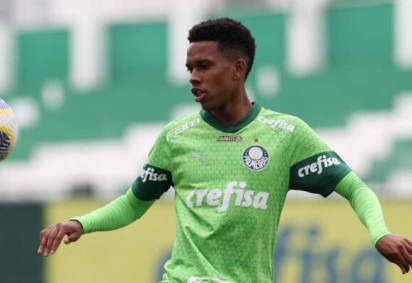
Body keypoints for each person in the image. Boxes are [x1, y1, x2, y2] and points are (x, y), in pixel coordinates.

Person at [38, 17, 412, 282]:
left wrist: (379, 232)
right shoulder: (176, 137)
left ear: (237, 69)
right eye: (189, 68)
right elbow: (134, 203)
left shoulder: (286, 134)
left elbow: (356, 188)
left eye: (204, 66)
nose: (193, 77)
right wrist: (80, 223)